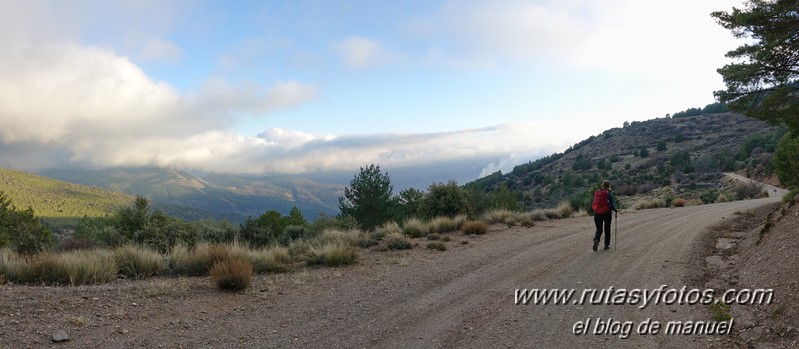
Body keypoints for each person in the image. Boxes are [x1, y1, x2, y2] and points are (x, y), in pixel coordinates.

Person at [592, 180, 617, 251]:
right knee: (607, 229)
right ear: (609, 186)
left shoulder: (597, 193)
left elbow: (594, 203)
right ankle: (606, 245)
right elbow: (611, 205)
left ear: (602, 185)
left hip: (597, 214)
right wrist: (615, 210)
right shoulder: (609, 194)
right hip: (607, 214)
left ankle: (596, 239)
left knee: (599, 229)